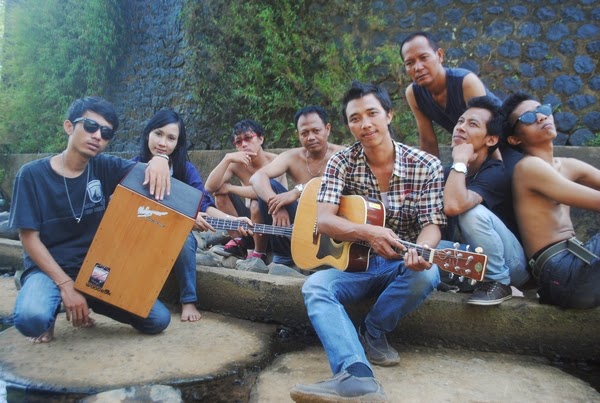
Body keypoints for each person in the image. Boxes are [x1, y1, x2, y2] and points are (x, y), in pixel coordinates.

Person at [290, 81, 446, 402]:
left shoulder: (426, 165)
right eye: (355, 118)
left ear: (389, 115)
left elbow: (432, 225)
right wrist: (369, 232)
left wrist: (422, 251)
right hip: (354, 264)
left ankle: (372, 331)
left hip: (398, 262)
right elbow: (325, 220)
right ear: (348, 125)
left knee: (428, 272)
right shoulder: (341, 162)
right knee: (315, 286)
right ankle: (356, 374)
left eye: (372, 113)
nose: (365, 124)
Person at [9, 96, 173, 343]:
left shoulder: (104, 166)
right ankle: (50, 302)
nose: (97, 136)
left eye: (106, 133)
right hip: (48, 271)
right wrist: (66, 286)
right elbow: (28, 238)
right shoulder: (31, 175)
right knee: (32, 318)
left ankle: (87, 299)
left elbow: (145, 172)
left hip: (95, 272)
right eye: (90, 126)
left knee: (158, 319)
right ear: (69, 126)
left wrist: (160, 159)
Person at [134, 109, 251, 321]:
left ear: (177, 143)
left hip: (172, 234)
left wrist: (232, 220)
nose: (162, 143)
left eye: (171, 138)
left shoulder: (184, 170)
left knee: (185, 239)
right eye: (158, 134)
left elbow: (203, 205)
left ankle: (188, 300)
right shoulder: (133, 166)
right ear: (147, 134)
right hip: (140, 232)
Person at [500, 92, 600, 309]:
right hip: (561, 273)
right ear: (515, 139)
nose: (541, 117)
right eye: (528, 117)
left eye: (543, 109)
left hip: (579, 264)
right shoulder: (528, 167)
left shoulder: (568, 165)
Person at [436, 96, 529, 305]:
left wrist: (460, 160)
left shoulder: (496, 173)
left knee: (471, 212)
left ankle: (498, 282)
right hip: (474, 257)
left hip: (511, 263)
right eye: (460, 121)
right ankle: (468, 282)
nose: (460, 127)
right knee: (418, 247)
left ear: (491, 140)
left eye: (472, 124)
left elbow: (454, 205)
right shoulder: (449, 173)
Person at [248, 106, 345, 265]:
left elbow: (341, 183)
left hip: (332, 218)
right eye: (304, 133)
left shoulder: (343, 155)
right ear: (298, 135)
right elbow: (257, 178)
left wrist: (297, 191)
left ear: (327, 129)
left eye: (316, 131)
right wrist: (275, 203)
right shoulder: (292, 156)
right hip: (302, 220)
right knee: (271, 186)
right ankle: (283, 256)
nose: (311, 137)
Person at [401, 31, 499, 157]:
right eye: (410, 63)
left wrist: (498, 165)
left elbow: (486, 132)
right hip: (471, 151)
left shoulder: (466, 82)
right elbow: (428, 140)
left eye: (424, 58)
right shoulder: (414, 93)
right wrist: (430, 169)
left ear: (439, 55)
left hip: (504, 142)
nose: (418, 67)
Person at [205, 120, 286, 262]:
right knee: (220, 194)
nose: (244, 144)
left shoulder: (276, 161)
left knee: (256, 204)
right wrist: (227, 159)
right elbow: (209, 188)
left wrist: (230, 187)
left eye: (248, 138)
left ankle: (259, 252)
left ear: (261, 139)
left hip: (273, 223)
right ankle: (238, 242)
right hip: (247, 223)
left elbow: (264, 193)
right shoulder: (236, 164)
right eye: (238, 141)